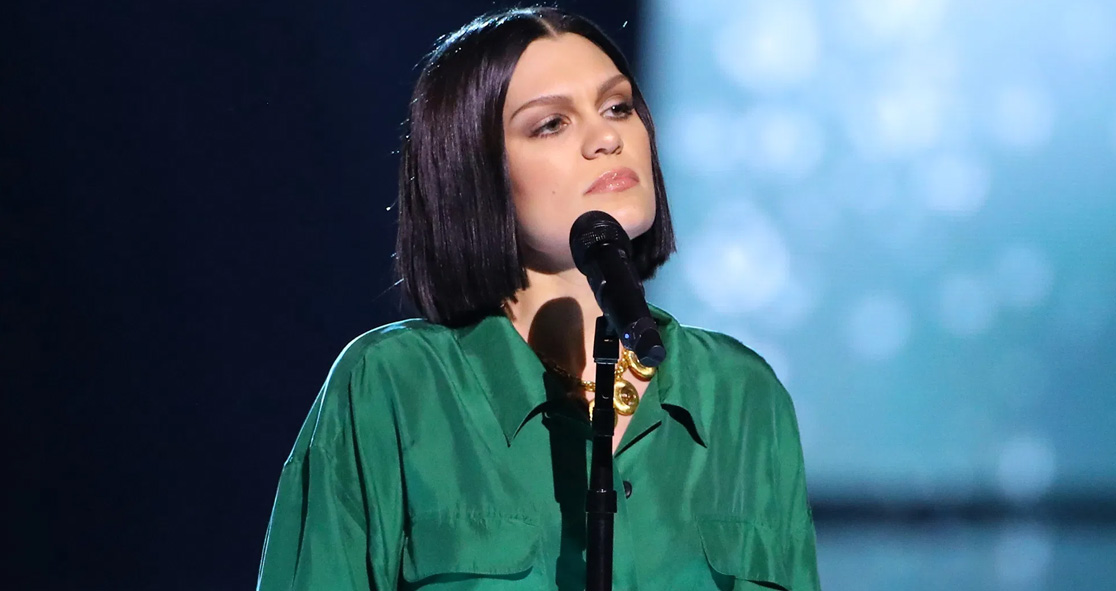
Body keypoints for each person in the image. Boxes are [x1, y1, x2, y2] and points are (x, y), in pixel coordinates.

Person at [257, 7, 820, 591]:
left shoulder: (741, 394)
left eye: (617, 107)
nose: (607, 138)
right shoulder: (394, 385)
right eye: (552, 124)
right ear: (476, 170)